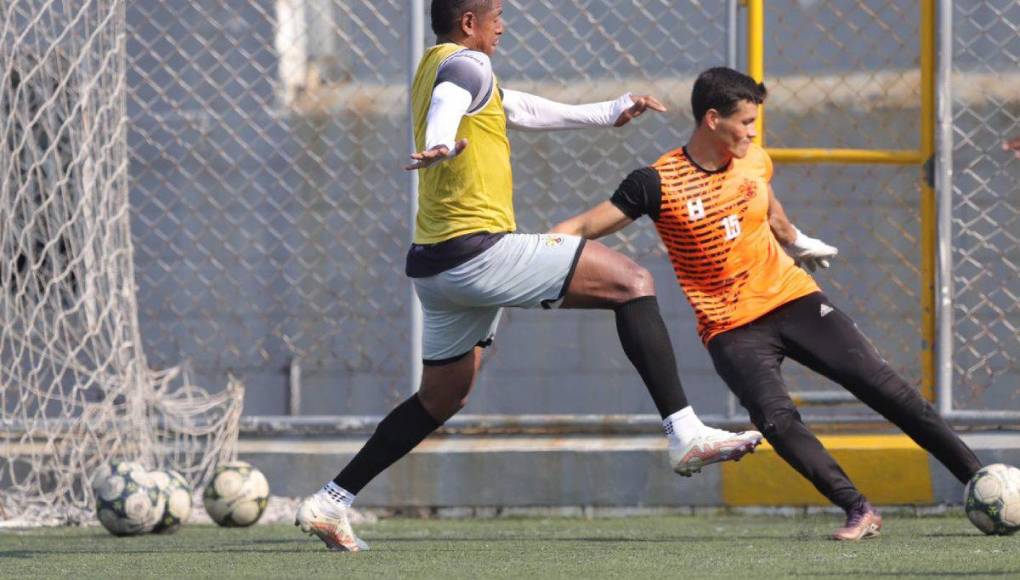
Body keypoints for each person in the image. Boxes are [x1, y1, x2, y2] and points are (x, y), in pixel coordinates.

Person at [293, 2, 761, 552]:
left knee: (442, 398)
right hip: (478, 252)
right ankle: (684, 433)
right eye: (495, 14)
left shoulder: (439, 66)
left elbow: (519, 108)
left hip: (436, 267)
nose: (503, 24)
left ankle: (332, 499)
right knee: (632, 282)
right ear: (468, 22)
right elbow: (452, 100)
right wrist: (442, 140)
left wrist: (606, 111)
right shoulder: (468, 66)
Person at [551, 66, 984, 541]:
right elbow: (580, 228)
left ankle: (980, 481)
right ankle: (858, 509)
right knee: (776, 420)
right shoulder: (656, 182)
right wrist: (526, 254)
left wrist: (795, 240)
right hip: (730, 327)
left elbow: (768, 207)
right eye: (746, 123)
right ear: (713, 119)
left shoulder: (755, 159)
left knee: (886, 389)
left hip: (793, 299)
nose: (753, 133)